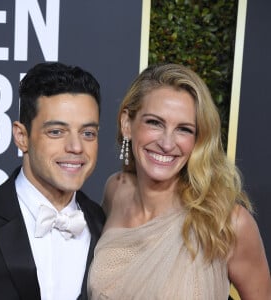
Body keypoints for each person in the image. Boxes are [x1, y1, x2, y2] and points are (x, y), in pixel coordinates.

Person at [87, 63, 271, 299]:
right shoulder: (116, 190)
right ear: (127, 124)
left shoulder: (226, 222)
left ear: (198, 139)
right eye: (154, 122)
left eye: (183, 129)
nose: (166, 143)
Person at [0, 62, 106, 300]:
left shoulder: (105, 226)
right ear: (22, 137)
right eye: (56, 132)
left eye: (87, 133)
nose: (76, 147)